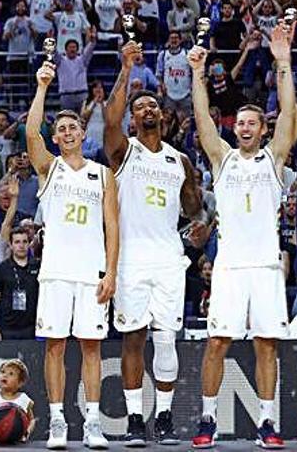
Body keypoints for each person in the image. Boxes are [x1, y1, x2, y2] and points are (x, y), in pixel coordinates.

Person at [187, 25, 296, 449]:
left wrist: (283, 60)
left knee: (267, 345)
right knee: (217, 343)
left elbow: (288, 114)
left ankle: (267, 424)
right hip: (230, 267)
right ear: (235, 129)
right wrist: (197, 75)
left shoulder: (275, 160)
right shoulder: (222, 159)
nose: (247, 128)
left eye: (254, 123)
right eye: (242, 123)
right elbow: (201, 119)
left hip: (266, 266)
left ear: (263, 130)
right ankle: (207, 420)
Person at [103, 40, 203, 446]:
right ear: (132, 118)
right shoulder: (123, 152)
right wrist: (127, 70)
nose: (147, 110)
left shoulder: (180, 161)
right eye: (139, 107)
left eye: (152, 106)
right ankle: (133, 419)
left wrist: (200, 228)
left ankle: (163, 416)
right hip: (130, 261)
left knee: (165, 337)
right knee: (134, 337)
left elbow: (194, 208)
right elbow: (108, 121)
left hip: (168, 259)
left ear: (163, 115)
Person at [25, 60, 119, 450]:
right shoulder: (49, 168)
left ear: (83, 132)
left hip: (91, 273)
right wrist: (43, 87)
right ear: (56, 136)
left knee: (91, 347)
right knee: (55, 346)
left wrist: (111, 273)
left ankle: (93, 423)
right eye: (60, 128)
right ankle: (59, 422)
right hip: (56, 274)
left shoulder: (103, 174)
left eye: (72, 127)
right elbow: (31, 132)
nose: (66, 132)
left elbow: (113, 227)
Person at [0, 226, 40, 340]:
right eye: (17, 242)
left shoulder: (37, 266)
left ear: (29, 244)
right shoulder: (2, 268)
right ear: (11, 245)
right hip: (6, 328)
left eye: (24, 242)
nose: (21, 246)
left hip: (31, 328)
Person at [0, 359, 34, 443]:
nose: (5, 375)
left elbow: (31, 420)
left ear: (20, 382)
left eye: (11, 374)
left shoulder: (24, 399)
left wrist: (27, 432)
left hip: (16, 443)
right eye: (2, 372)